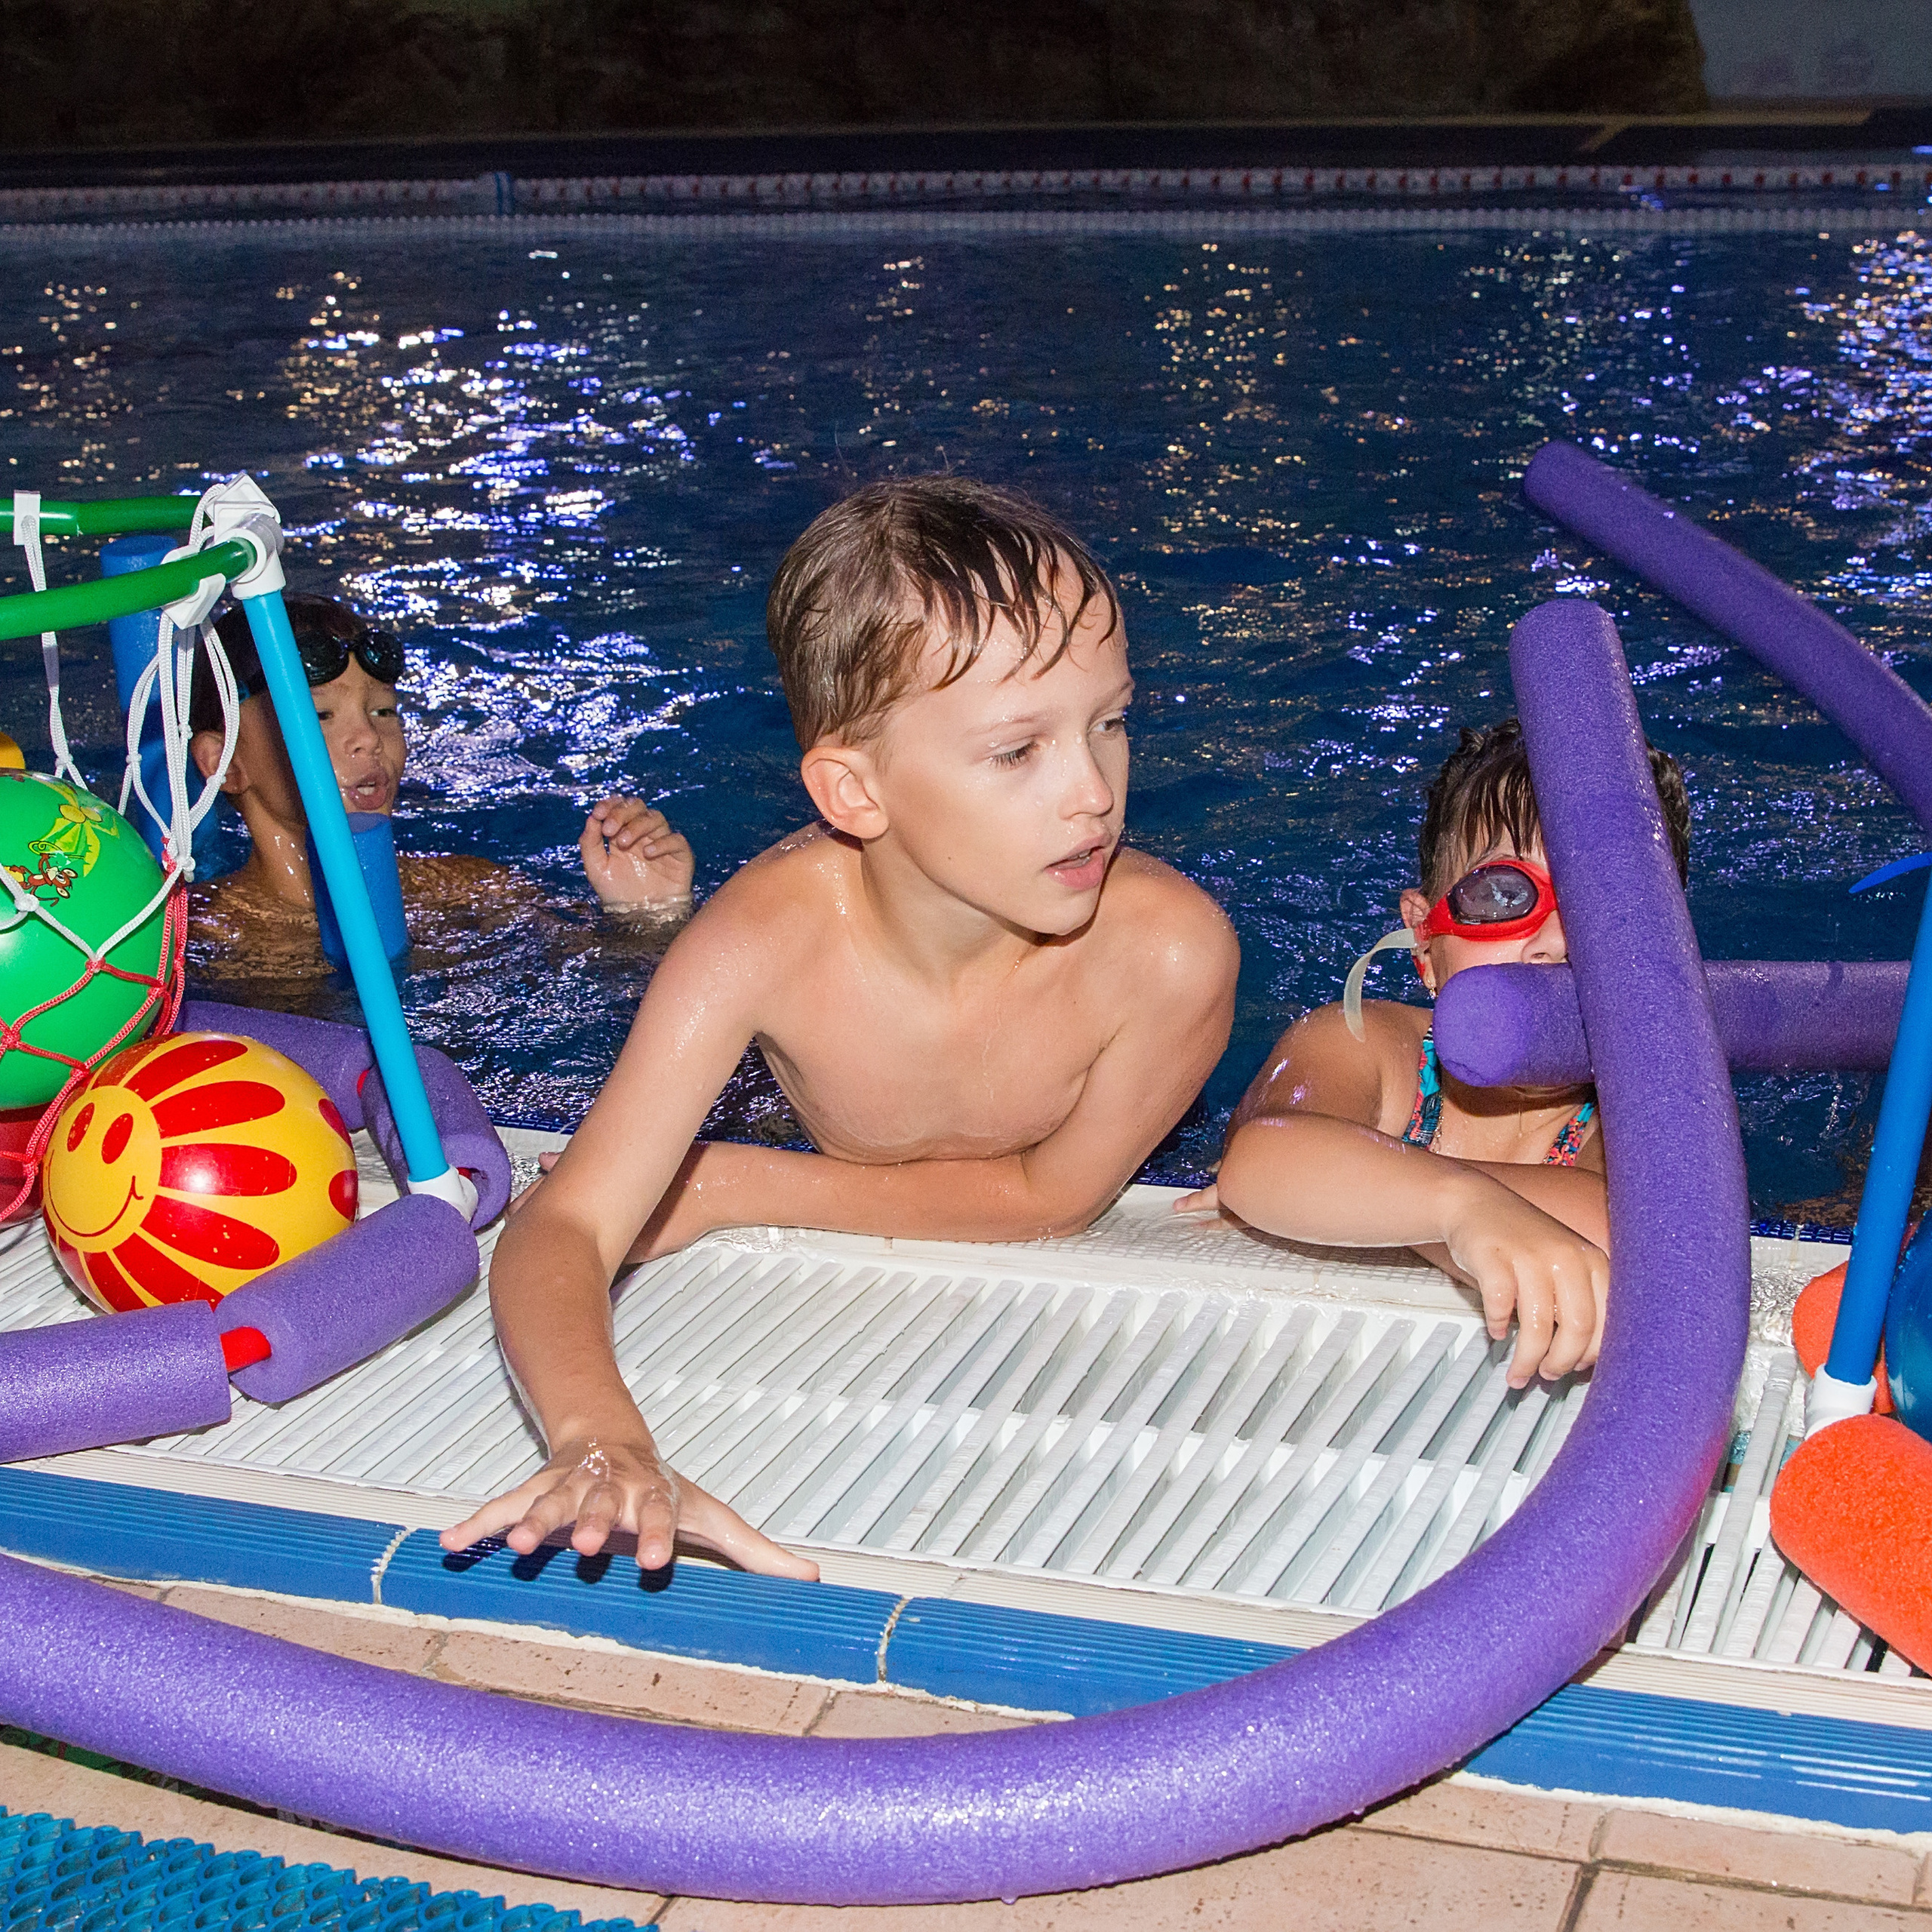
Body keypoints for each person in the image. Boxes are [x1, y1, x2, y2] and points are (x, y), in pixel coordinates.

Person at [439, 476, 1239, 1580]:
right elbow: (562, 1226)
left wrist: (723, 1186)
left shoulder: (1169, 958)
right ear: (854, 793)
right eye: (1019, 752)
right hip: (795, 1108)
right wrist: (599, 1438)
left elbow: (1057, 1198)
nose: (1094, 793)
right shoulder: (761, 943)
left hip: (855, 1175)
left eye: (1109, 724)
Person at [1192, 717, 1690, 1392]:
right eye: (1504, 895)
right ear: (1425, 941)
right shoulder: (1368, 1044)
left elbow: (1625, 1230)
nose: (1555, 944)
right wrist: (1459, 1213)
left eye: (1610, 907)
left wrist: (1384, 1200)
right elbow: (1263, 1159)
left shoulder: (1634, 1101)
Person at [185, 595, 694, 980]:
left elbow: (620, 987)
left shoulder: (466, 891)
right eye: (319, 716)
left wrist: (649, 917)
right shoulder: (189, 941)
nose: (368, 739)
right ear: (223, 762)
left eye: (383, 711)